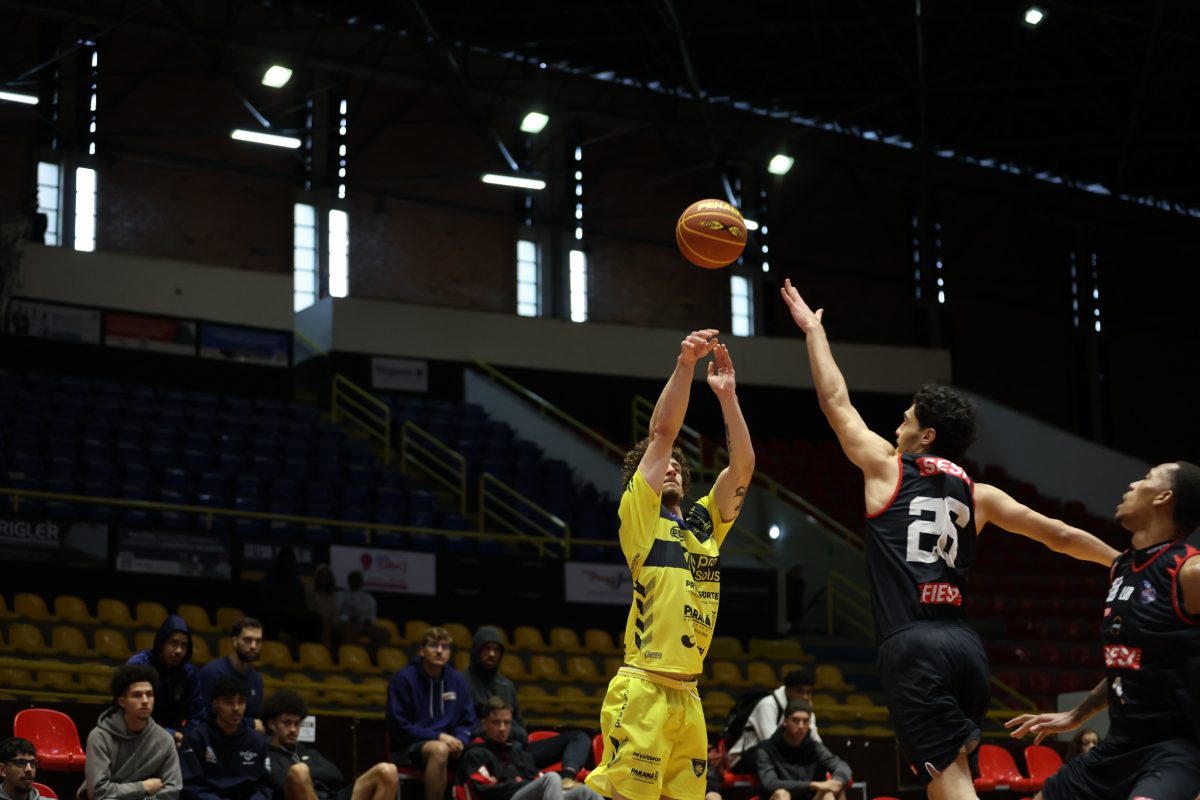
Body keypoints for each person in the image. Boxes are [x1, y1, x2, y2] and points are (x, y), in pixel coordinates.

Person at [779, 279, 1120, 799]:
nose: (897, 427)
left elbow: (834, 400)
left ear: (927, 435)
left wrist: (813, 332)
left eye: (906, 421)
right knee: (947, 780)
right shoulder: (980, 494)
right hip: (964, 648)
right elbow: (1059, 534)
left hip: (913, 646)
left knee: (954, 785)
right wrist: (1120, 560)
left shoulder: (886, 468)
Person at [586, 329, 755, 800]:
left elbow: (742, 467)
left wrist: (727, 397)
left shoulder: (703, 523)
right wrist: (685, 365)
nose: (672, 466)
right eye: (663, 465)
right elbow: (662, 434)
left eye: (679, 464)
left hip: (689, 696)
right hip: (644, 689)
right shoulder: (641, 517)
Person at [1006, 462, 1200, 800]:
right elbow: (1126, 664)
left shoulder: (1190, 570)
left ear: (1164, 497)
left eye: (1147, 478)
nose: (1133, 484)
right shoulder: (1123, 569)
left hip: (1174, 753)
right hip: (1118, 748)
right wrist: (1075, 716)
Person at [466, 626, 592, 787]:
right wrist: (503, 733)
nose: (491, 654)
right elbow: (467, 728)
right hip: (487, 752)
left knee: (579, 737)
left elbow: (522, 731)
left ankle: (566, 781)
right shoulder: (463, 683)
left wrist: (512, 736)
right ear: (477, 649)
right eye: (487, 648)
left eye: (496, 650)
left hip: (519, 752)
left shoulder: (506, 685)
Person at [386, 626, 477, 800]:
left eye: (445, 647)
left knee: (480, 750)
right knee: (439, 749)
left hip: (449, 744)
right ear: (422, 650)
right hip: (408, 746)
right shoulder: (403, 679)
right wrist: (438, 737)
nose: (440, 651)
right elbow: (399, 726)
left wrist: (460, 741)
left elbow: (468, 722)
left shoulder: (457, 680)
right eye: (434, 645)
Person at [262, 689, 398, 800]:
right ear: (272, 724)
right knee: (299, 771)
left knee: (387, 770)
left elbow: (335, 774)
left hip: (331, 797)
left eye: (297, 723)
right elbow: (279, 782)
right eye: (286, 723)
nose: (293, 729)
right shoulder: (265, 754)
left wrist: (307, 772)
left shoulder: (307, 752)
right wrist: (303, 772)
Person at [459, 697, 601, 800]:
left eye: (506, 723)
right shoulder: (476, 753)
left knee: (586, 792)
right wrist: (523, 784)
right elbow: (482, 791)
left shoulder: (516, 753)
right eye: (496, 722)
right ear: (484, 724)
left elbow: (535, 777)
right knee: (551, 778)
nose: (502, 728)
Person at [84, 664, 183, 800]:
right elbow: (98, 792)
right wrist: (142, 787)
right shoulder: (100, 737)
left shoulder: (164, 739)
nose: (145, 701)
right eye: (137, 695)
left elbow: (173, 790)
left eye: (149, 695)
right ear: (122, 702)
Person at [179, 677, 272, 800]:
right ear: (215, 704)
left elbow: (264, 786)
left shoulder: (256, 740)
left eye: (241, 702)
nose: (236, 708)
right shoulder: (196, 738)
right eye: (229, 702)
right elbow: (190, 785)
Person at [129, 615, 207, 744]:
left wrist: (187, 737)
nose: (179, 650)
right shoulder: (140, 665)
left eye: (184, 645)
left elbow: (197, 714)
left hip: (177, 738)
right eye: (173, 643)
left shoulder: (188, 672)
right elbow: (132, 712)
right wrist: (169, 734)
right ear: (161, 643)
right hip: (137, 733)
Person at [754, 701, 850, 800]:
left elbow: (842, 767)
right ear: (785, 721)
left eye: (805, 721)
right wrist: (813, 785)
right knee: (781, 794)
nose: (801, 726)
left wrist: (836, 782)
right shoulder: (766, 749)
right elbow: (770, 784)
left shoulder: (814, 747)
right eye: (795, 720)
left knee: (828, 793)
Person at [728, 669, 820, 771]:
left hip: (781, 757)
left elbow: (816, 743)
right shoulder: (767, 705)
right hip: (743, 758)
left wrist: (808, 712)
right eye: (800, 691)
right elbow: (770, 744)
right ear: (788, 690)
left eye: (808, 692)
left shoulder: (804, 709)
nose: (805, 697)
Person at [200, 618, 265, 732]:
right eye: (248, 640)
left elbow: (256, 719)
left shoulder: (257, 680)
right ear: (235, 641)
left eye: (258, 641)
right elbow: (207, 716)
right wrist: (250, 723)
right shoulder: (213, 672)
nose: (253, 646)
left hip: (244, 738)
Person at [336, 571, 388, 652]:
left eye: (359, 580)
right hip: (348, 624)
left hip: (365, 625)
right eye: (355, 580)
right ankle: (352, 654)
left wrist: (370, 621)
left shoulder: (368, 597)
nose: (357, 582)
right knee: (351, 629)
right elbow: (336, 613)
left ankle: (374, 656)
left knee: (384, 634)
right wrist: (348, 618)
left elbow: (372, 614)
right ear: (349, 581)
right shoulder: (341, 595)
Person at [305, 565, 339, 651]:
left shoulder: (332, 592)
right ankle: (326, 652)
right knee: (325, 625)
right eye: (322, 576)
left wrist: (333, 621)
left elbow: (334, 610)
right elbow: (310, 607)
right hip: (316, 619)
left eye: (326, 576)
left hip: (331, 620)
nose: (324, 578)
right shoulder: (310, 589)